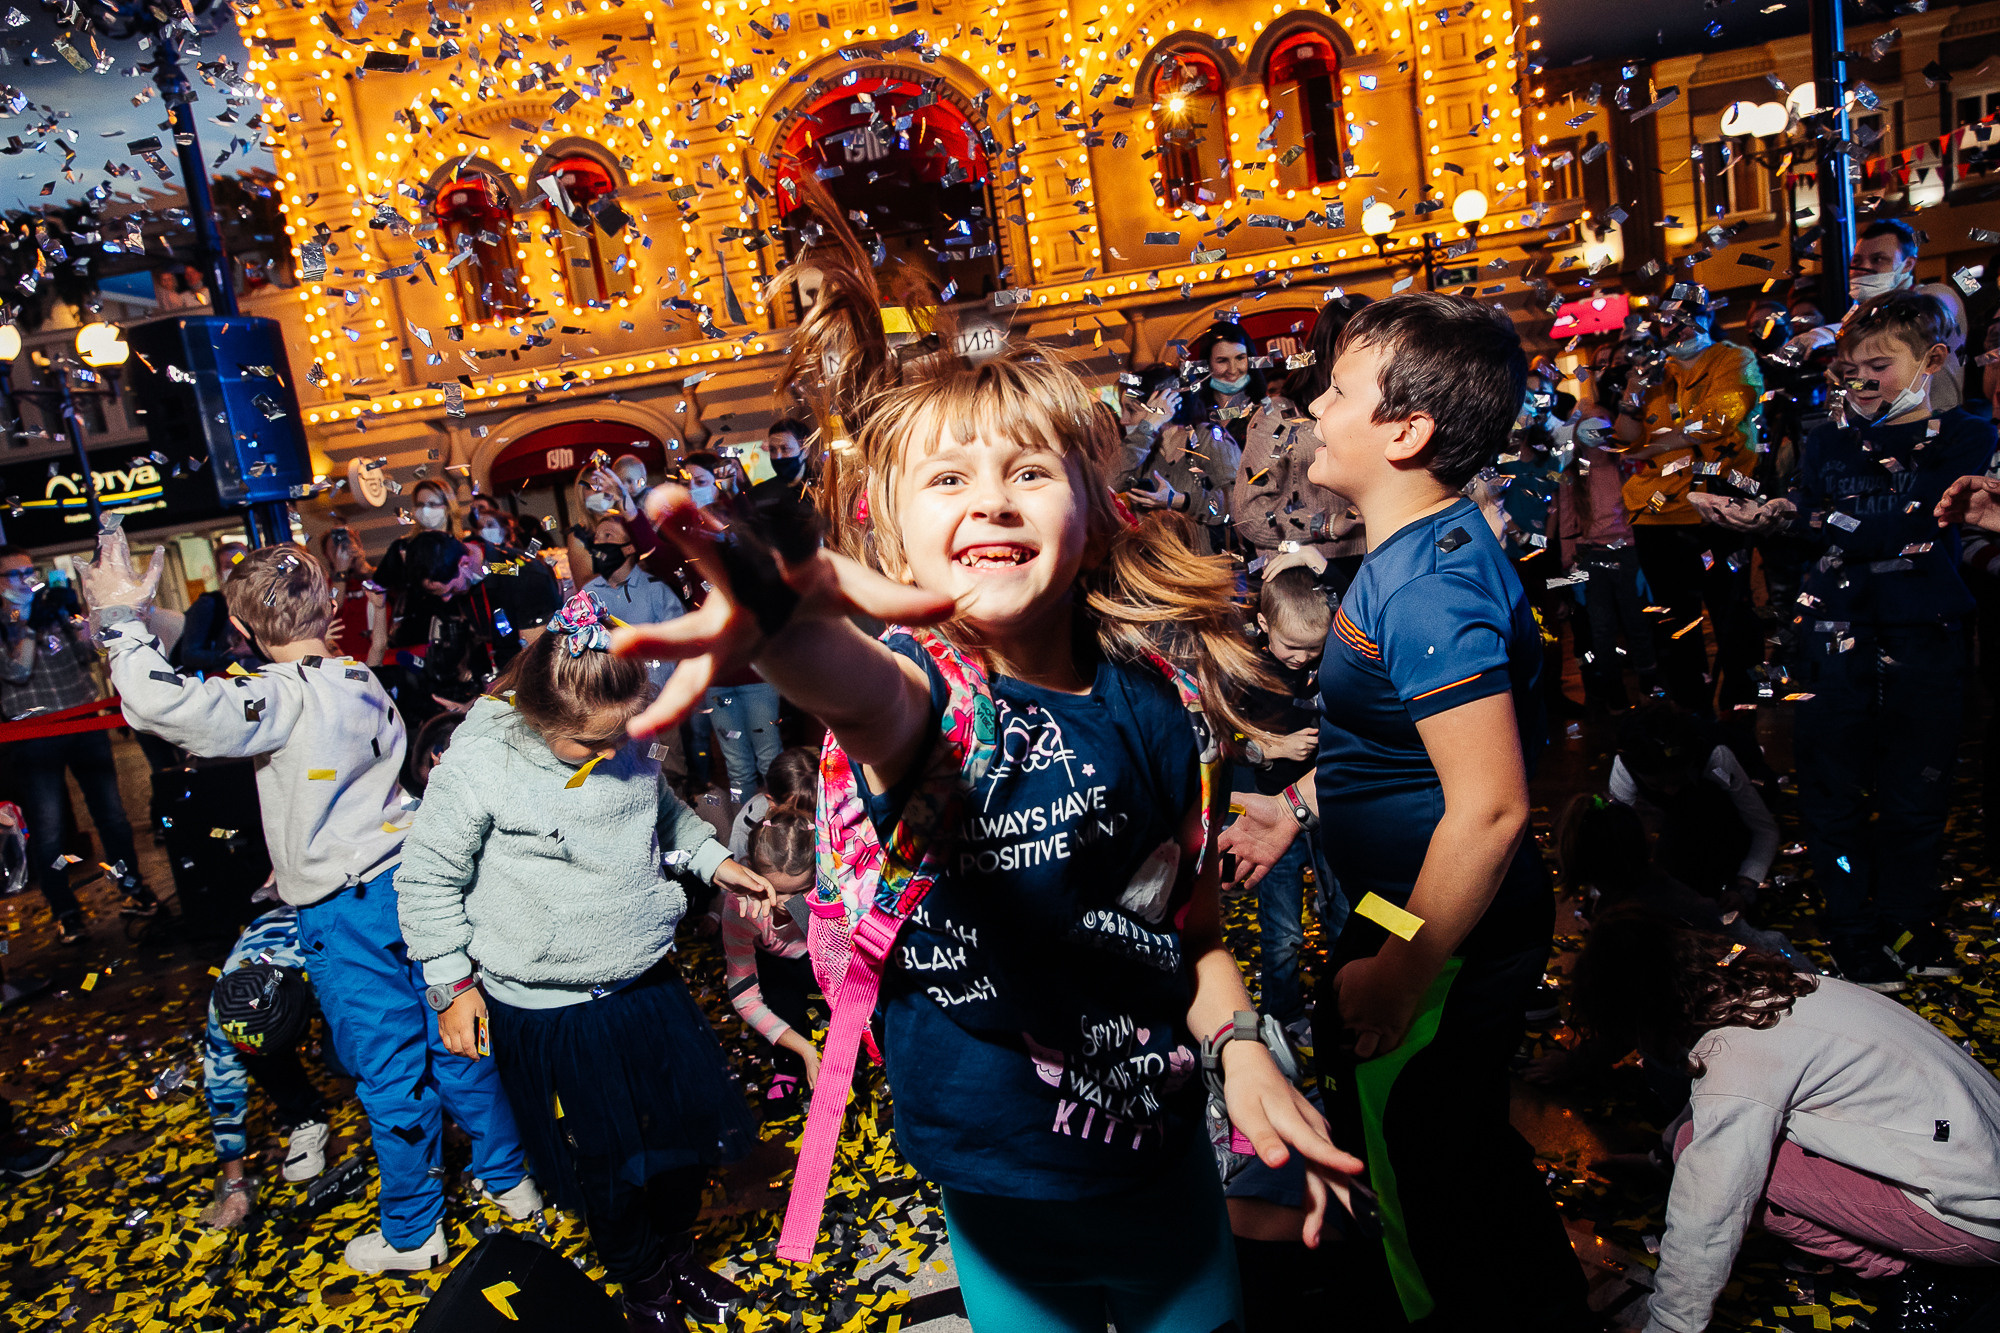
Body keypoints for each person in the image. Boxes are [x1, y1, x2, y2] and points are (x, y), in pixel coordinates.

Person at [612, 343, 1356, 1325]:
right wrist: (786, 628)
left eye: (1030, 472)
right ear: (893, 537)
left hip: (1162, 1163)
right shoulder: (927, 705)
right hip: (998, 1195)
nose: (994, 500)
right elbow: (865, 695)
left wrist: (1240, 1045)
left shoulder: (1155, 704)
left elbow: (1193, 935)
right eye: (949, 477)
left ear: (1088, 517)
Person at [1220, 293, 1593, 1329]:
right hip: (1389, 901)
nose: (1313, 406)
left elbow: (1488, 808)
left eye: (1337, 389)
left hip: (1433, 933)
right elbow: (1393, 746)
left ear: (1403, 430)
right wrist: (1299, 804)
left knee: (1429, 1177)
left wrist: (1399, 971)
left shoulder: (1427, 586)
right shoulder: (1398, 558)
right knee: (1450, 1156)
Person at [80, 536, 539, 1273]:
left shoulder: (279, 696)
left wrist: (118, 615)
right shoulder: (354, 673)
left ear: (241, 631)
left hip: (347, 911)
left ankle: (415, 1229)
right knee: (459, 1037)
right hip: (414, 885)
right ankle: (509, 1178)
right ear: (327, 607)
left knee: (389, 1068)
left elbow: (158, 703)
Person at [394, 591, 768, 1326]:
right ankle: (641, 1279)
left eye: (618, 735)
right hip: (554, 1005)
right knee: (611, 1160)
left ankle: (675, 1255)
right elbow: (427, 878)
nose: (610, 754)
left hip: (644, 978)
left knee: (679, 1140)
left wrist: (714, 860)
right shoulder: (484, 759)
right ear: (538, 718)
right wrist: (450, 985)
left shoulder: (625, 733)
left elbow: (663, 812)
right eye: (587, 745)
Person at [1700, 291, 1992, 990]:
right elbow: (1807, 507)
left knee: (1915, 797)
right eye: (1849, 367)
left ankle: (1907, 927)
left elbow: (1909, 528)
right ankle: (1852, 936)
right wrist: (1769, 510)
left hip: (1924, 637)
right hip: (1831, 641)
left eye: (1879, 366)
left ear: (1933, 361)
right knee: (1833, 796)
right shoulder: (1826, 437)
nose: (1858, 381)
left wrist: (1792, 519)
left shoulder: (1966, 437)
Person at [1575, 910, 2000, 1333]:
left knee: (1712, 1161)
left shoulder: (1737, 1059)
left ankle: (1914, 1277)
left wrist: (1668, 1326)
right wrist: (1658, 1158)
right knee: (1696, 1144)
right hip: (1978, 1168)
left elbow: (1707, 1218)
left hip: (1978, 1224)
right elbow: (1724, 1106)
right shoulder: (1781, 989)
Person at [1613, 296, 1765, 715]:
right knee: (1674, 623)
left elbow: (1720, 417)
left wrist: (1656, 444)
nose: (1677, 329)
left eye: (1687, 319)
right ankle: (1690, 715)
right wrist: (1633, 388)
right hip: (1657, 515)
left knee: (1732, 615)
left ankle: (1738, 713)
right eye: (1668, 323)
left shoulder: (1733, 358)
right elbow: (1625, 436)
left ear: (1707, 317)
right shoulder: (1654, 371)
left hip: (1718, 508)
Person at [0, 546, 158, 944]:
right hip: (34, 734)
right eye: (15, 575)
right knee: (49, 830)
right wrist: (31, 626)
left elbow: (93, 651)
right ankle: (67, 912)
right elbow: (15, 672)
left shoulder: (52, 608)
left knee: (113, 817)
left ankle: (133, 889)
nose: (26, 581)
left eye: (29, 571)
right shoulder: (6, 621)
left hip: (83, 721)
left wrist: (81, 615)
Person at [1233, 566, 1339, 1031]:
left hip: (1327, 806)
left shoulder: (1329, 662)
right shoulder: (1249, 671)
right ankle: (1284, 1013)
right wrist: (1272, 748)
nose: (1301, 658)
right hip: (1272, 810)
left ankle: (1342, 1007)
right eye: (1291, 647)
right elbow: (1223, 737)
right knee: (1283, 931)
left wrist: (1324, 566)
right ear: (1263, 627)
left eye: (1312, 648)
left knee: (1343, 911)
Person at [199, 903, 330, 1229]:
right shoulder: (224, 1007)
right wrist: (234, 1186)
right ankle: (306, 1117)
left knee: (350, 1051)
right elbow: (223, 1092)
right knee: (256, 1056)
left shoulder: (326, 964)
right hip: (267, 937)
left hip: (319, 938)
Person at [1235, 300, 1369, 591]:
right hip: (1301, 574)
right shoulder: (1280, 413)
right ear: (1329, 348)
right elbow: (1250, 515)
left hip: (1375, 561)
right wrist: (1327, 524)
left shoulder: (1376, 411)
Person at [1784, 218, 1968, 411]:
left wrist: (1830, 333)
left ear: (1907, 265)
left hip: (1935, 429)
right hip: (1875, 434)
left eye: (1878, 259)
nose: (1863, 269)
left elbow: (1911, 318)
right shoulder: (1856, 316)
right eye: (1857, 261)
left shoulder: (1937, 295)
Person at [1551, 397, 1661, 710]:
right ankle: (1615, 695)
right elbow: (1568, 523)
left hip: (1626, 552)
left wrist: (1642, 559)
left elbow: (1640, 512)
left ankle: (1648, 688)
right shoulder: (1571, 475)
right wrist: (1571, 568)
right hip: (1591, 556)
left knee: (1637, 622)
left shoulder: (1623, 466)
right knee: (1601, 627)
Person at [1609, 702, 1777, 902]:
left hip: (1749, 786)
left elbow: (1764, 830)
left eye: (1675, 781)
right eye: (1657, 785)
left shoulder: (1716, 762)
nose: (1670, 791)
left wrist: (1745, 885)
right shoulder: (1626, 767)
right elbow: (1614, 837)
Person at [721, 793, 822, 1108]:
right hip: (774, 961)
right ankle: (788, 1065)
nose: (783, 902)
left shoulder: (826, 888)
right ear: (750, 870)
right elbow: (745, 998)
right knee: (781, 1003)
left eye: (800, 890)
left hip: (819, 954)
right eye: (773, 890)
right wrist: (804, 1050)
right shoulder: (740, 908)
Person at [1122, 324, 1252, 554]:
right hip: (1165, 571)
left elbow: (1238, 505)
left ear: (1164, 401)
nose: (1123, 420)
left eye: (1130, 410)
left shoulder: (1209, 437)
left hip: (1212, 571)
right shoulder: (1143, 450)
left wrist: (1182, 500)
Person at [578, 514, 684, 693]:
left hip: (657, 693)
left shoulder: (655, 590)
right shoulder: (588, 593)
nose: (598, 543)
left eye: (608, 536)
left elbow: (679, 642)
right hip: (611, 695)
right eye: (597, 537)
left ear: (629, 548)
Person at [173, 542, 255, 676]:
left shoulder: (260, 602)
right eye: (228, 566)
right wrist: (235, 653)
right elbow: (189, 655)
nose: (235, 570)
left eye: (240, 563)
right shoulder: (209, 604)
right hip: (225, 682)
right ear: (219, 571)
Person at [320, 526, 387, 669]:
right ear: (326, 555)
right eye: (335, 548)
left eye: (347, 544)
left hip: (384, 657)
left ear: (359, 545)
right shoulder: (327, 587)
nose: (343, 550)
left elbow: (389, 589)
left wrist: (363, 567)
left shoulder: (377, 576)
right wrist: (341, 571)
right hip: (348, 663)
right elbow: (332, 605)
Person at [764, 418, 813, 486]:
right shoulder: (760, 493)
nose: (777, 457)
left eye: (785, 449)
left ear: (805, 451)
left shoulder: (826, 486)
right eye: (772, 450)